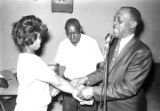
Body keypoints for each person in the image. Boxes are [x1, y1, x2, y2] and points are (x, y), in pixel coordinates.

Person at [73, 7, 152, 111]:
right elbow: (105, 70)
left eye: (119, 20)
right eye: (114, 19)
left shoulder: (141, 52)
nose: (114, 23)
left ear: (133, 24)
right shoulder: (112, 43)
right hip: (107, 103)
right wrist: (86, 79)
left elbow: (128, 88)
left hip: (126, 107)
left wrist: (93, 91)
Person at [11, 15, 81, 111]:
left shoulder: (23, 58)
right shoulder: (33, 61)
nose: (40, 40)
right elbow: (58, 82)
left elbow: (35, 88)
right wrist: (76, 91)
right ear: (29, 39)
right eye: (38, 37)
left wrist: (50, 91)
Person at [54, 18, 104, 111]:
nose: (72, 37)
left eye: (75, 33)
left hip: (87, 86)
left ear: (80, 29)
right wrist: (61, 89)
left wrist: (99, 87)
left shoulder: (91, 42)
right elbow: (61, 67)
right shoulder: (63, 45)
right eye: (69, 34)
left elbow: (101, 66)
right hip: (69, 86)